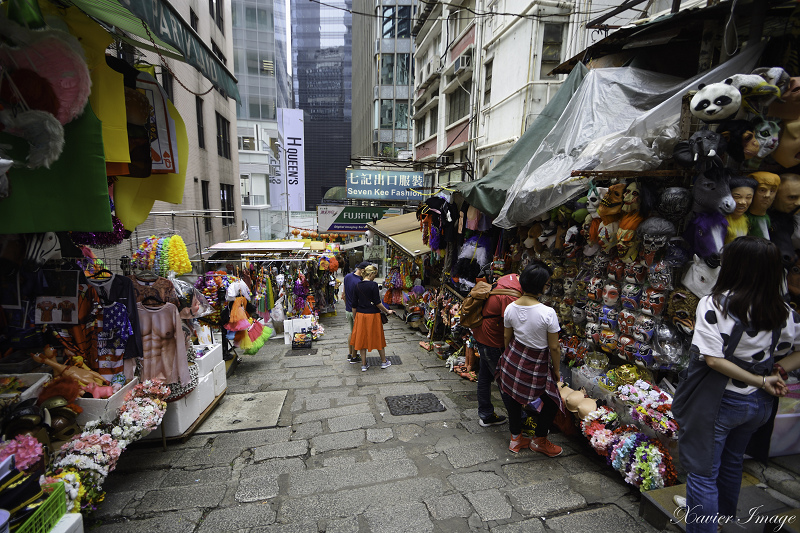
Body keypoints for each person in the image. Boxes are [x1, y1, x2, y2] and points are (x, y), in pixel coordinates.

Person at [677, 237, 799, 532]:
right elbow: (794, 351)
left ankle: (704, 524)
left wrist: (761, 377)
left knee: (703, 472)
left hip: (720, 400)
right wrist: (774, 372)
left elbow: (714, 360)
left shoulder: (715, 304)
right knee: (732, 462)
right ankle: (720, 519)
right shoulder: (784, 312)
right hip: (758, 404)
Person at [497, 261, 564, 456]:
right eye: (547, 284)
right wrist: (557, 371)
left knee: (513, 398)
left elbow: (506, 337)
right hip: (536, 362)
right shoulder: (547, 313)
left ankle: (515, 440)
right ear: (541, 286)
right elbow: (554, 347)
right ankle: (539, 440)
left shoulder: (511, 308)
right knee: (552, 401)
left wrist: (507, 356)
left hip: (512, 357)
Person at [470, 269, 522, 428]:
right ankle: (519, 421)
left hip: (482, 335)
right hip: (493, 341)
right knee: (504, 381)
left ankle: (486, 414)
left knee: (485, 376)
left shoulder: (508, 279)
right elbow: (512, 324)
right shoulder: (511, 294)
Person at [351, 265, 394, 371]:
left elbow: (354, 305)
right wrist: (387, 311)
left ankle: (364, 365)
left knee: (362, 339)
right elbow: (377, 302)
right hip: (373, 315)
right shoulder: (373, 285)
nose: (375, 277)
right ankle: (384, 361)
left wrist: (355, 317)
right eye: (375, 275)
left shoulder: (357, 285)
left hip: (361, 315)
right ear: (371, 274)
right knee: (377, 337)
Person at [341, 261, 369, 363]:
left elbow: (343, 294)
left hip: (348, 309)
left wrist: (346, 306)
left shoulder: (347, 276)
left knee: (352, 332)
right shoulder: (360, 281)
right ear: (362, 270)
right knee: (356, 334)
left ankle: (350, 353)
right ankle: (353, 356)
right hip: (355, 310)